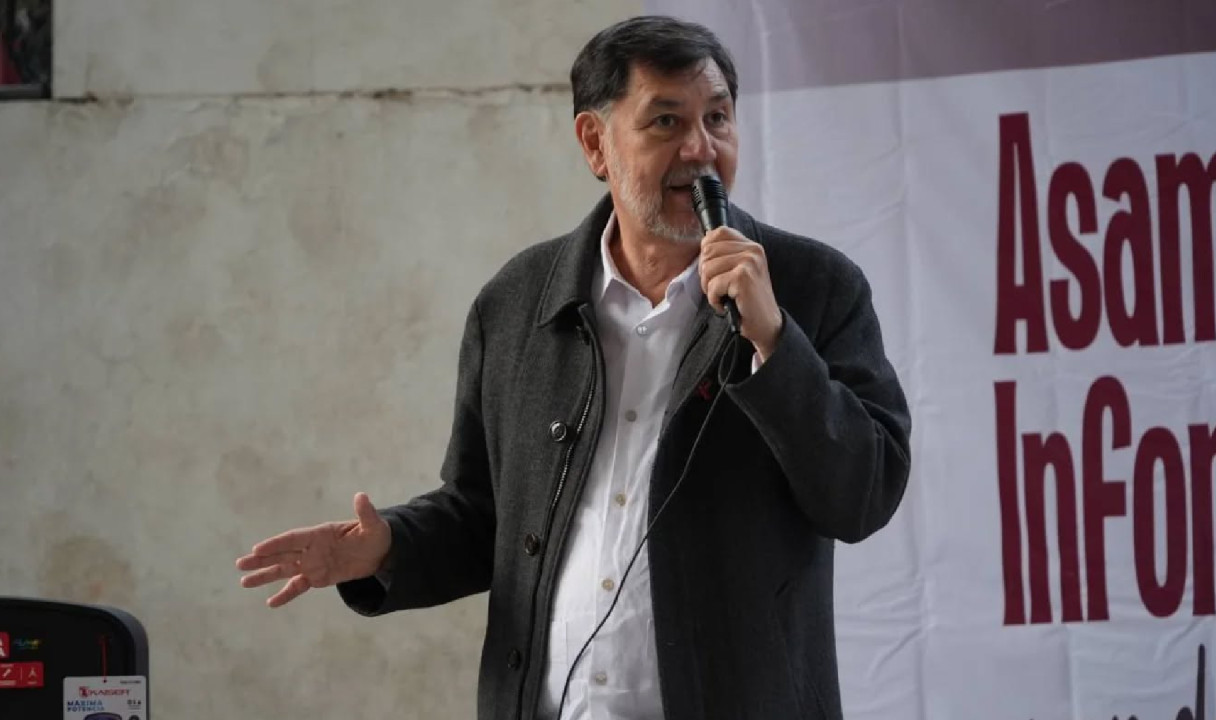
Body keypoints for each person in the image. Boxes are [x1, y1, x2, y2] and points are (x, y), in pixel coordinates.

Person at [236, 15, 911, 720]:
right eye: (666, 121)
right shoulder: (516, 302)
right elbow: (484, 514)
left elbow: (863, 496)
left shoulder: (814, 287)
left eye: (717, 118)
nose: (700, 149)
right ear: (595, 143)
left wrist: (774, 340)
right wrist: (386, 548)